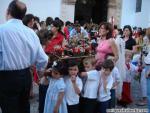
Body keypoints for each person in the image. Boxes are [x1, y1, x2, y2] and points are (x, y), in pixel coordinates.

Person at [0, 1, 48, 113]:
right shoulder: (30, 33)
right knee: (24, 107)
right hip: (25, 76)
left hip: (7, 78)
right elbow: (43, 58)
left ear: (7, 11)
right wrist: (41, 72)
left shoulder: (1, 30)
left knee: (9, 109)